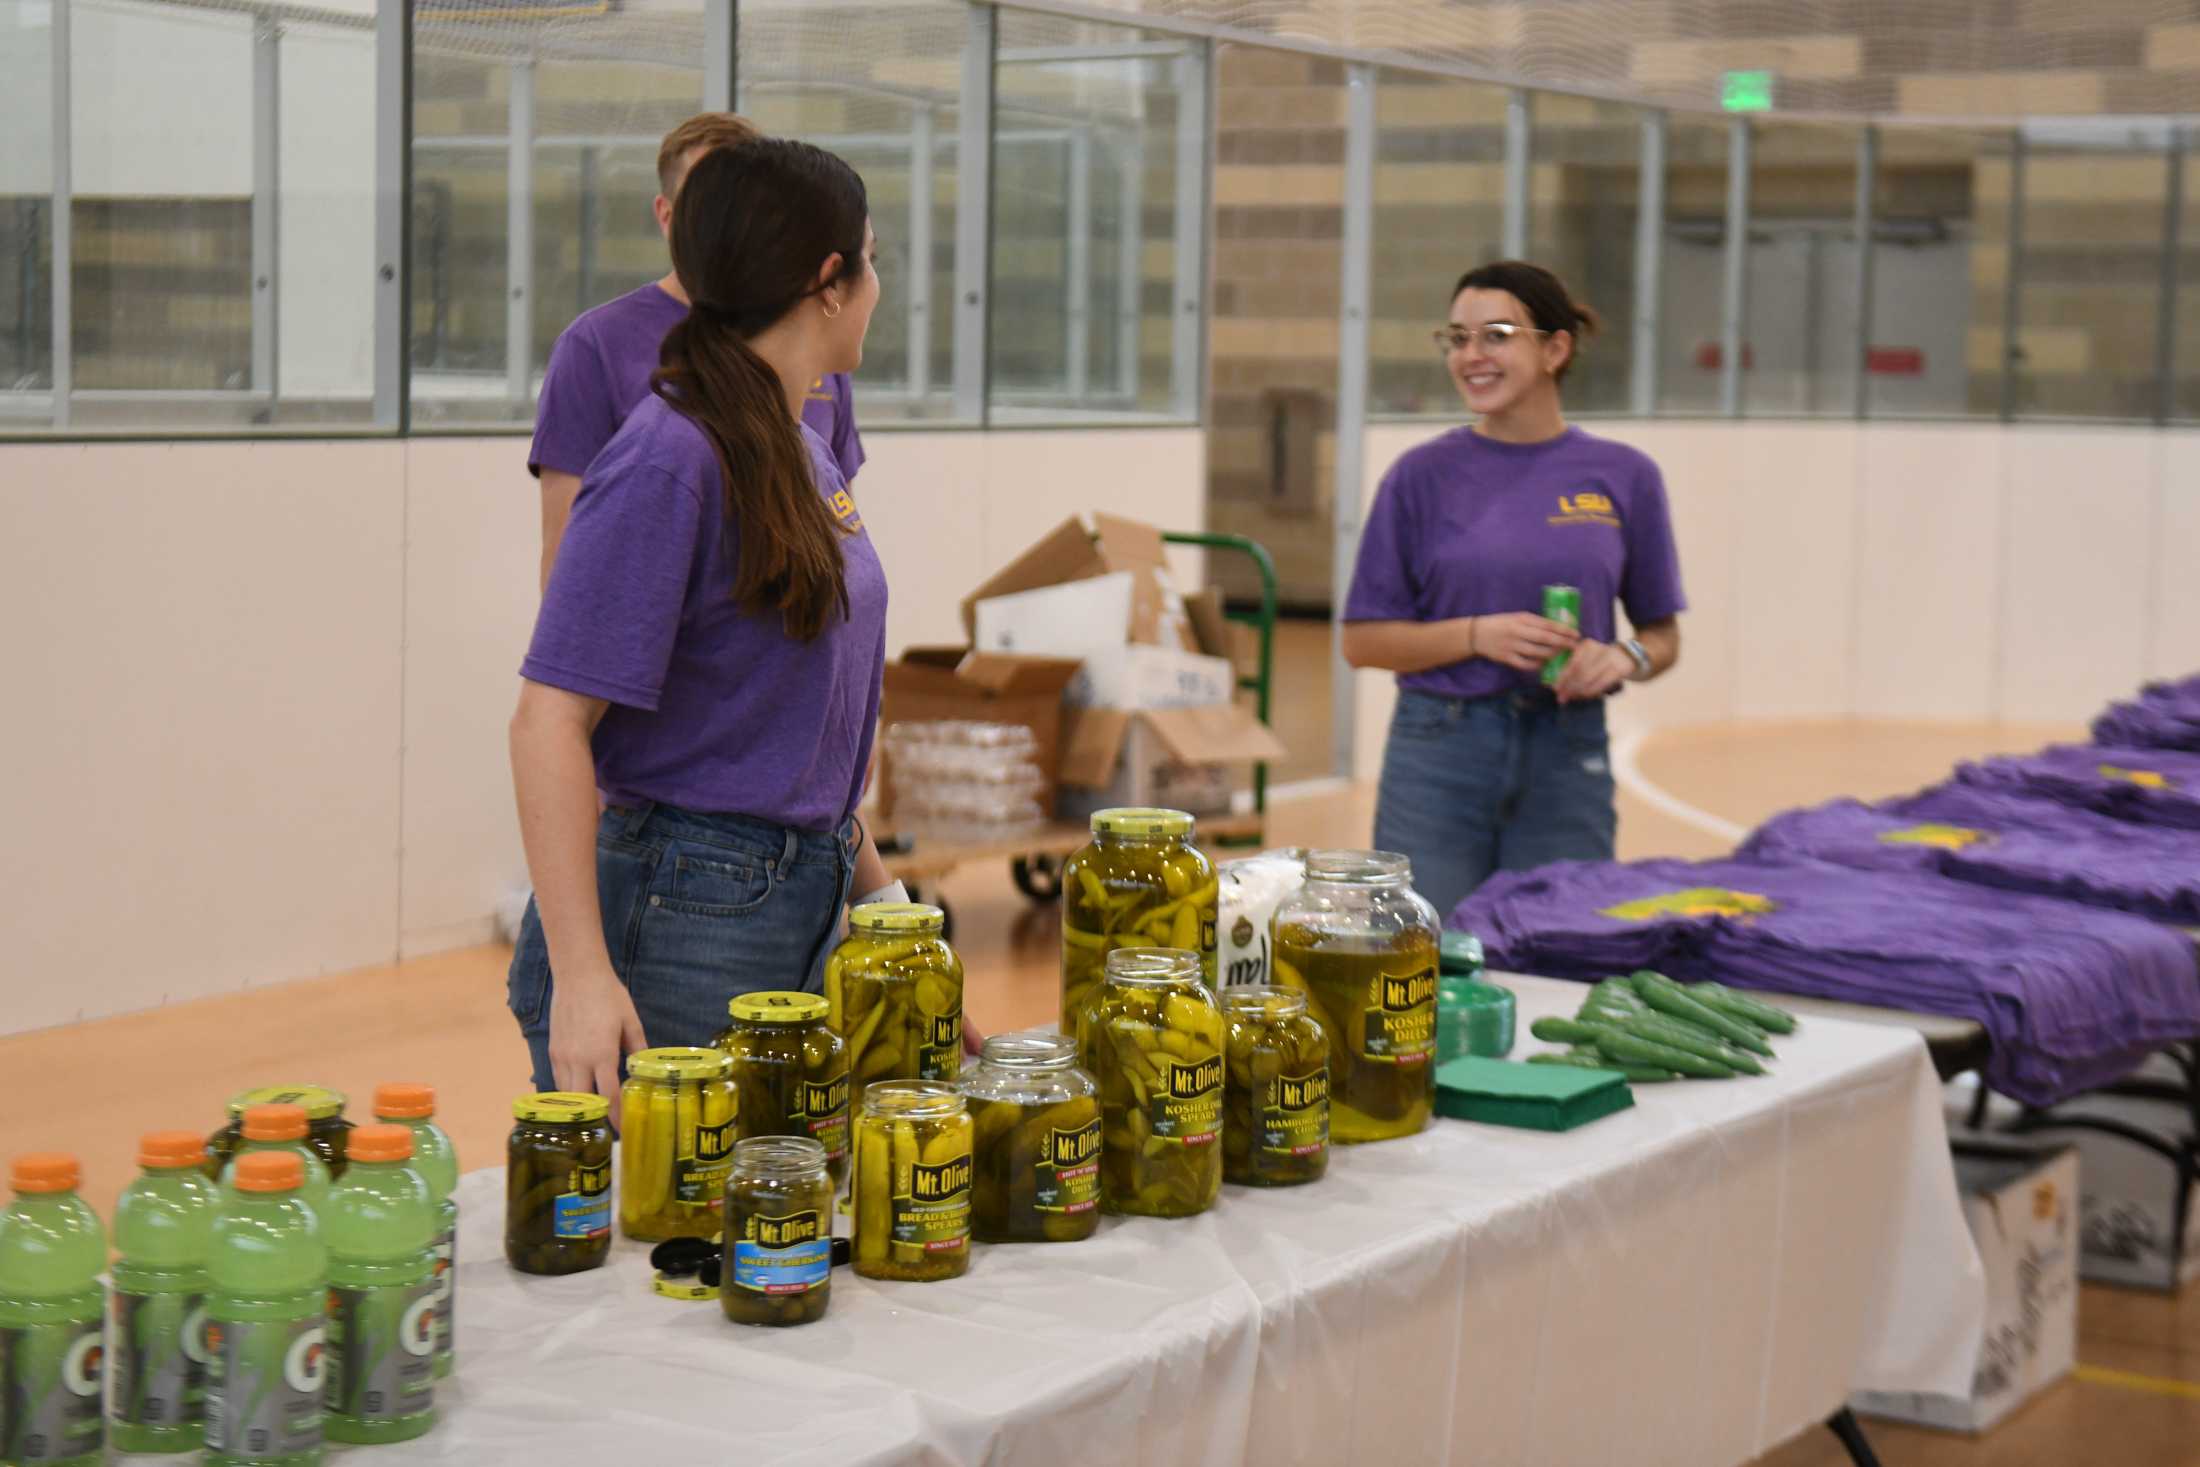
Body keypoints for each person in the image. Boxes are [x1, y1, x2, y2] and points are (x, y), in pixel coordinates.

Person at [506, 139, 894, 1100]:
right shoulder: (668, 458)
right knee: (685, 1238)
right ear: (829, 283)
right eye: (873, 259)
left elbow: (805, 729)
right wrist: (588, 978)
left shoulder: (799, 446)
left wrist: (885, 909)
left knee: (779, 1227)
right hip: (682, 920)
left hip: (795, 895)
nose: (883, 286)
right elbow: (547, 721)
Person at [1340, 260, 1686, 920]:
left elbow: (1662, 634)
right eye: (1457, 338)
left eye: (1495, 335)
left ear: (1555, 348)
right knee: (1427, 963)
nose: (1471, 355)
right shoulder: (1419, 478)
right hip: (1438, 753)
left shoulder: (1625, 476)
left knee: (1561, 949)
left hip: (1568, 749)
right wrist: (1477, 634)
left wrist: (1626, 658)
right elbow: (1361, 642)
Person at [528, 112, 867, 592]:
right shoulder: (596, 348)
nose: (728, 229)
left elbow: (842, 530)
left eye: (745, 210)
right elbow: (567, 548)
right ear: (667, 216)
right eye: (708, 209)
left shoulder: (815, 340)